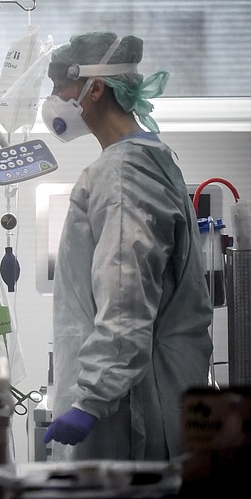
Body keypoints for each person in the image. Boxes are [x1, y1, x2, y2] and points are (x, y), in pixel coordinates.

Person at [40, 32, 212, 461]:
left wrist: (90, 401)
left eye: (59, 87)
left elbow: (126, 298)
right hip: (141, 388)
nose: (53, 100)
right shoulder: (148, 155)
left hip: (129, 407)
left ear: (94, 89)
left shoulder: (122, 174)